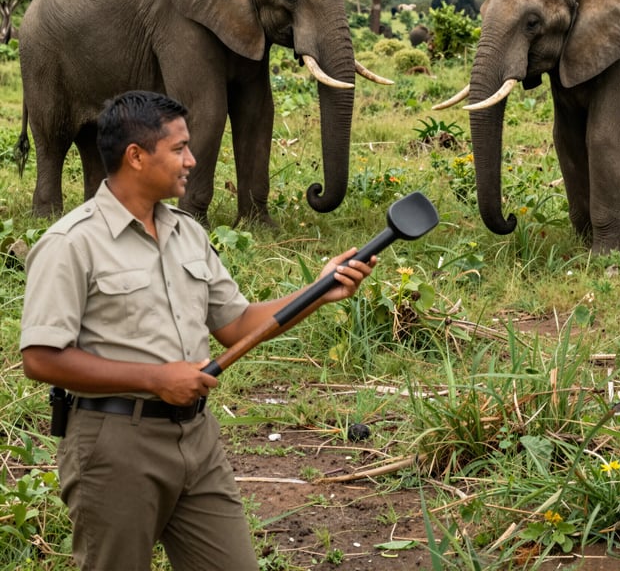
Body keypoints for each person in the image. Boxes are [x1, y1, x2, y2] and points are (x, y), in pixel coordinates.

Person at [20, 90, 376, 571]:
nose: (192, 159)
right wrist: (154, 379)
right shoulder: (70, 243)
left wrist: (318, 291)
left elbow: (237, 325)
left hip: (198, 438)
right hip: (114, 446)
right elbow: (41, 358)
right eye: (180, 148)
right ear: (137, 157)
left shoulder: (187, 232)